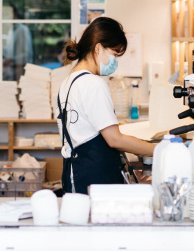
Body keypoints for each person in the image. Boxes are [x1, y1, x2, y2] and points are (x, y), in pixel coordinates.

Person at [56, 16, 154, 194]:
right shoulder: (93, 84)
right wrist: (159, 149)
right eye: (115, 54)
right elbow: (114, 139)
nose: (115, 61)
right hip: (94, 178)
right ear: (98, 48)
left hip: (75, 174)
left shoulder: (68, 82)